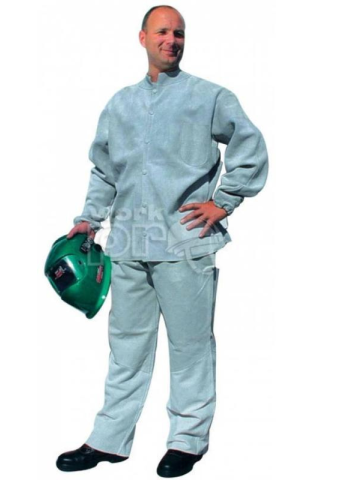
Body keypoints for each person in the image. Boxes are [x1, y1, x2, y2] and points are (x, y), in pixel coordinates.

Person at [56, 5, 269, 477]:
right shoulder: (120, 104)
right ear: (142, 38)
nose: (172, 40)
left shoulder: (209, 97)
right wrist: (89, 219)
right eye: (163, 32)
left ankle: (187, 441)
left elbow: (249, 145)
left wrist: (224, 202)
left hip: (184, 243)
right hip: (129, 243)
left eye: (179, 33)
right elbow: (104, 170)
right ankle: (109, 440)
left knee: (190, 346)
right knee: (126, 346)